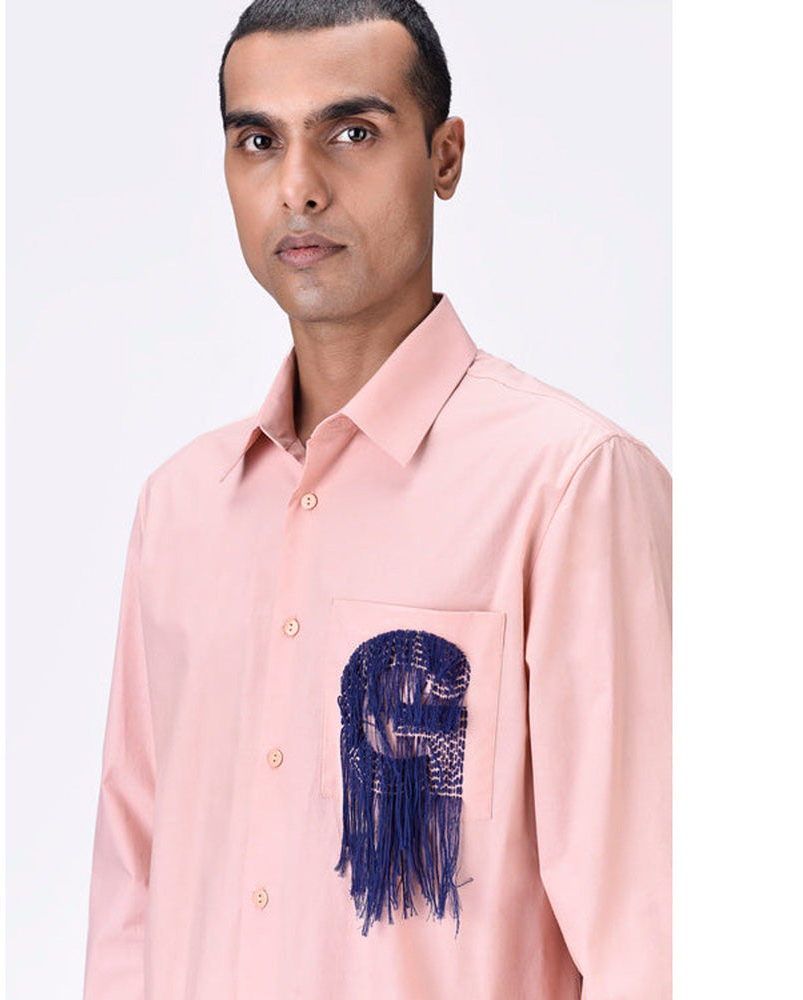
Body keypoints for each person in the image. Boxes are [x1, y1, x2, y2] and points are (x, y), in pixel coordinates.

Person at [82, 1, 671, 998]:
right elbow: (129, 900)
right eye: (258, 141)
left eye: (351, 133)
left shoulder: (569, 485)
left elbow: (649, 934)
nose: (298, 187)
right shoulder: (178, 509)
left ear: (445, 157)